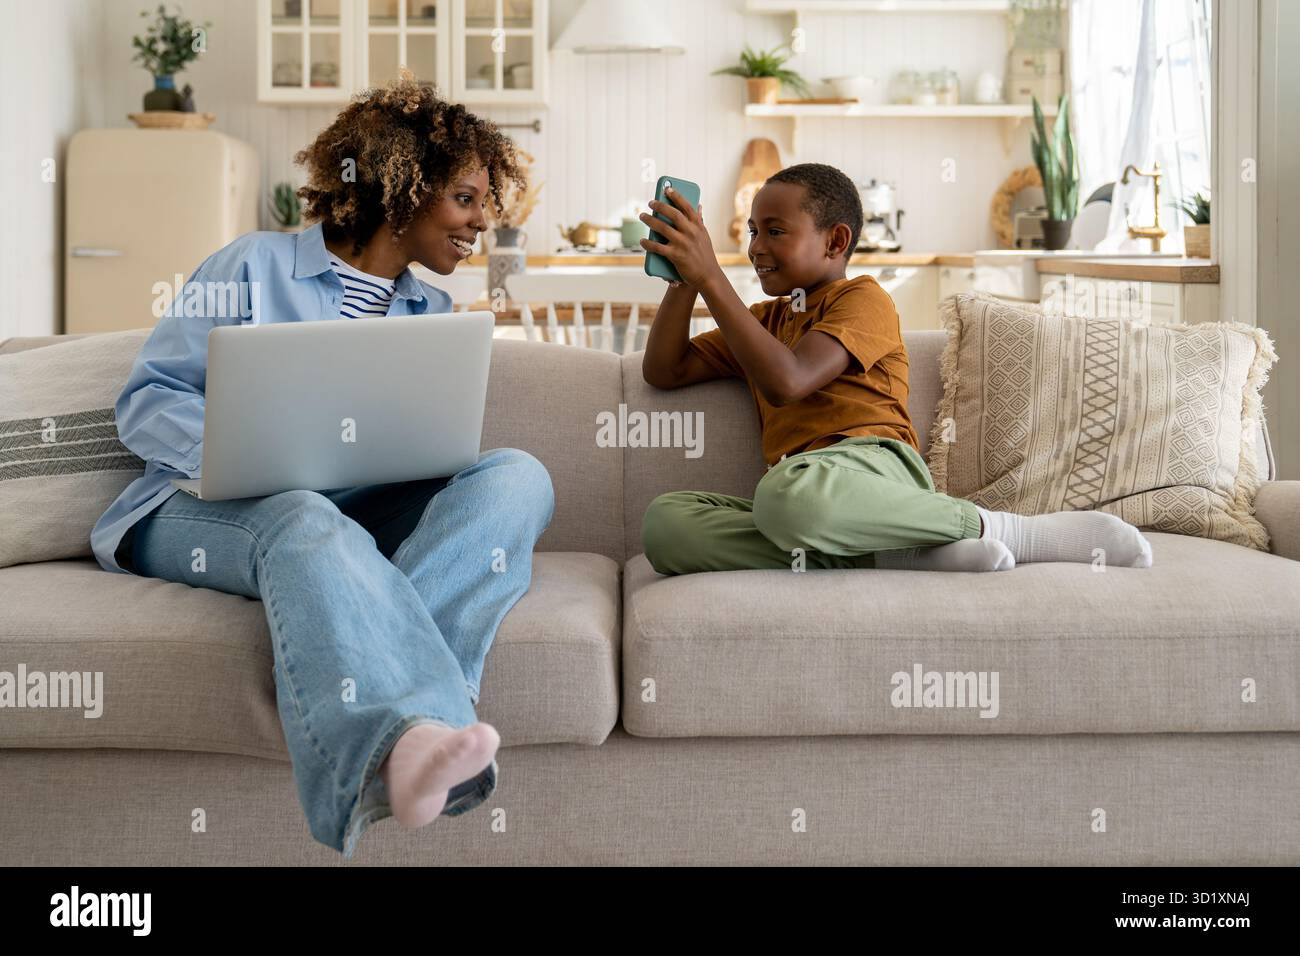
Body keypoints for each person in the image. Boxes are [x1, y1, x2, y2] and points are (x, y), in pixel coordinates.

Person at [89, 76, 555, 858]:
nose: (484, 221)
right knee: (302, 512)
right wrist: (251, 456)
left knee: (519, 474)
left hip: (347, 518)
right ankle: (404, 740)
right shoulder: (251, 265)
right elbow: (147, 402)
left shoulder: (429, 315)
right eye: (467, 198)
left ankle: (409, 721)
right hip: (200, 508)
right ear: (402, 190)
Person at [636, 162, 1153, 574]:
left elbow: (788, 381)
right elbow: (666, 370)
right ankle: (899, 551)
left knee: (783, 499)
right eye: (751, 232)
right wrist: (684, 278)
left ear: (836, 242)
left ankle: (1004, 530)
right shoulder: (764, 321)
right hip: (802, 489)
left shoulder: (864, 299)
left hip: (876, 467)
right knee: (666, 525)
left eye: (775, 231)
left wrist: (711, 276)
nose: (755, 248)